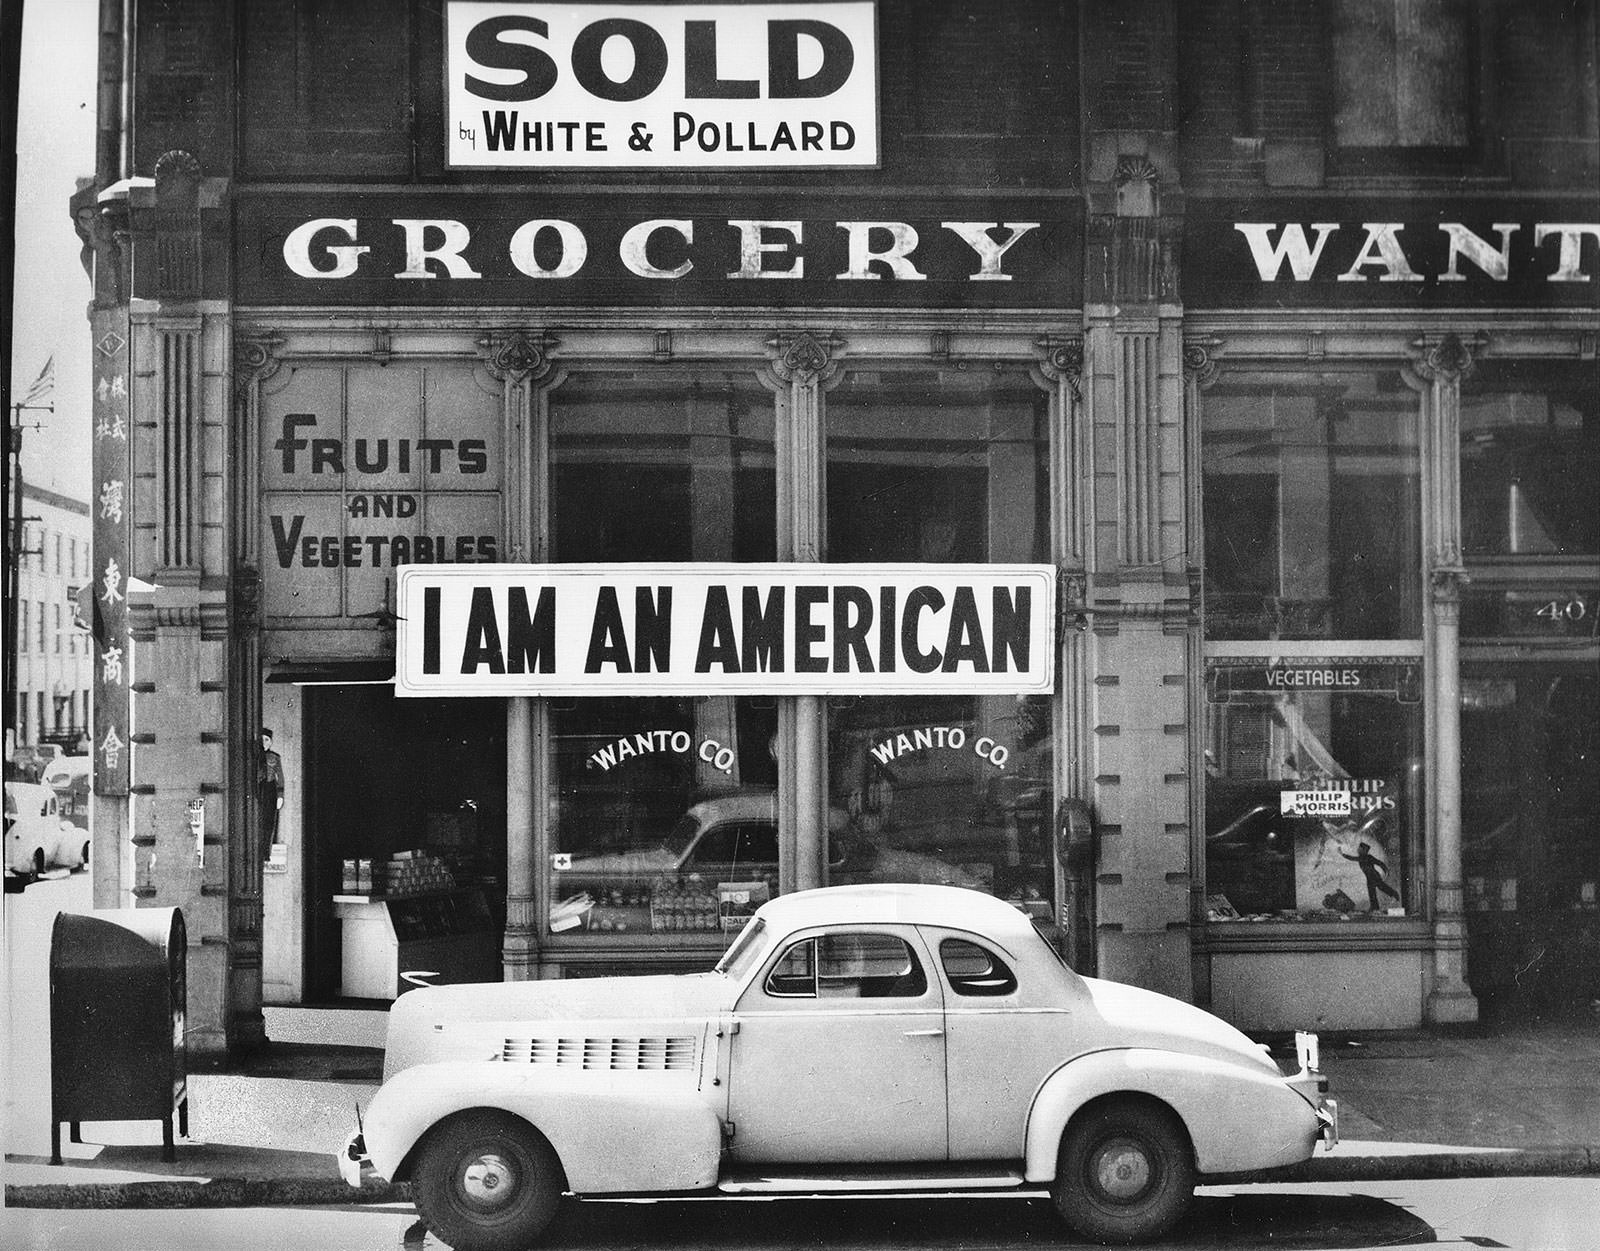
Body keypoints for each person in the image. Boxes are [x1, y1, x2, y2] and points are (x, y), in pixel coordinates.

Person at [1342, 840, 1400, 912]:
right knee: (1372, 892)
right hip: (1370, 877)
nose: (1358, 850)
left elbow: (1380, 863)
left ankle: (1394, 894)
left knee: (1381, 888)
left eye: (1359, 849)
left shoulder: (1367, 857)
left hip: (1374, 876)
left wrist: (1386, 872)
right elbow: (1354, 858)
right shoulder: (1362, 857)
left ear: (1364, 850)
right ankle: (1375, 907)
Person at [259, 727, 285, 845]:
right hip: (258, 789)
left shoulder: (275, 757)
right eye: (262, 739)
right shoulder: (253, 757)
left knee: (269, 821)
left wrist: (280, 796)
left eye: (267, 739)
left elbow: (280, 777)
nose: (264, 743)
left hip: (270, 789)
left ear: (271, 742)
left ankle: (267, 850)